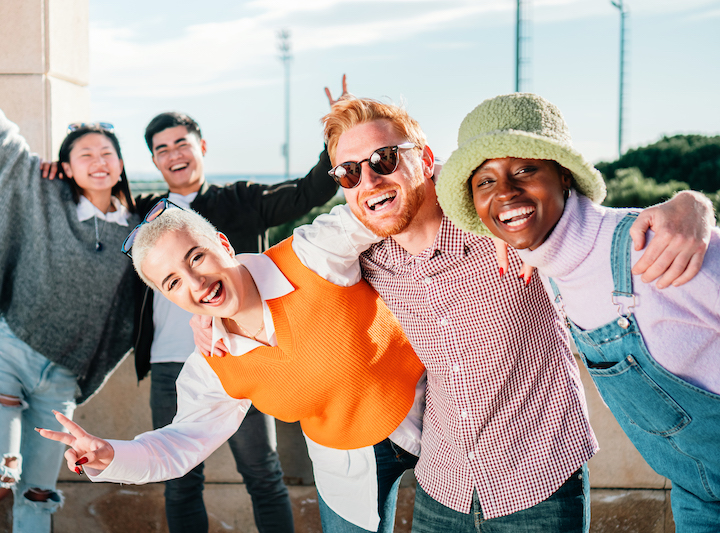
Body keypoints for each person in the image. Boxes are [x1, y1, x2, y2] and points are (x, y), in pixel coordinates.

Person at [190, 92, 713, 531]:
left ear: (426, 158)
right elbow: (271, 273)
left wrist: (689, 205)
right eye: (349, 173)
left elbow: (593, 227)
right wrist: (210, 309)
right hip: (442, 489)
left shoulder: (501, 222)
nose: (369, 180)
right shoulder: (365, 257)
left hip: (539, 480)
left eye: (385, 160)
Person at [38, 202, 427, 533]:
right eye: (173, 282)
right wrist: (110, 455)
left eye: (196, 257)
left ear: (223, 244)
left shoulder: (311, 255)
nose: (196, 282)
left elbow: (386, 201)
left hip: (445, 417)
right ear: (166, 297)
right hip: (346, 460)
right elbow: (181, 442)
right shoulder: (212, 364)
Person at [437, 92, 720, 531]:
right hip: (700, 497)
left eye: (525, 170)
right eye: (485, 182)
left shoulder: (659, 245)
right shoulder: (549, 268)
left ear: (564, 176)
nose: (506, 192)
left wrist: (695, 203)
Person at [0, 24, 139, 533]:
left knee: (38, 496)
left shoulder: (138, 232)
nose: (97, 161)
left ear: (121, 163)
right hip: (10, 355)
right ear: (64, 167)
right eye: (84, 154)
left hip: (61, 380)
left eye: (106, 153)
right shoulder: (40, 194)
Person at [132, 94, 340, 532]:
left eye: (181, 143)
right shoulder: (143, 214)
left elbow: (311, 191)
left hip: (239, 357)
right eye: (162, 149)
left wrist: (336, 131)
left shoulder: (241, 199)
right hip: (170, 365)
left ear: (201, 147)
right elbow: (92, 190)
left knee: (263, 474)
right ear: (154, 161)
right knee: (180, 479)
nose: (174, 155)